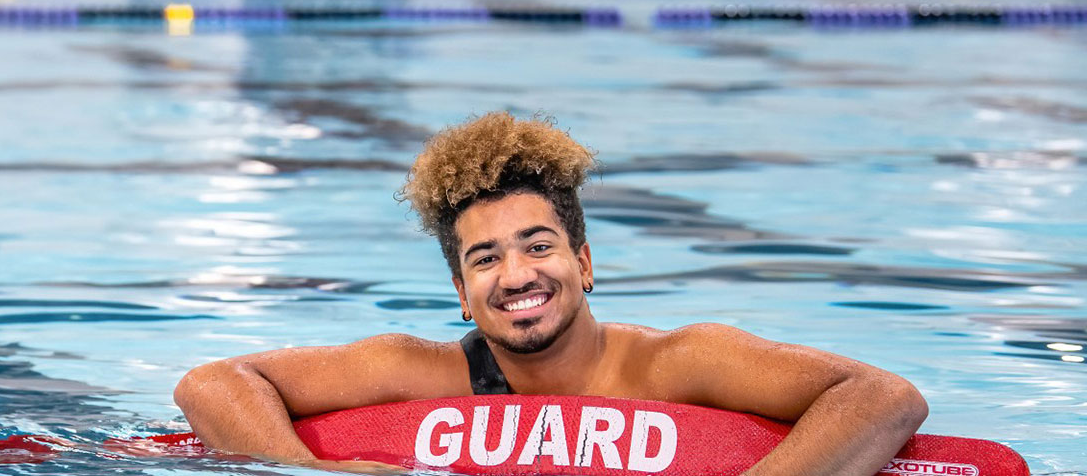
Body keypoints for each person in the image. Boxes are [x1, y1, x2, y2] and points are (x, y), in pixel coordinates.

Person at [174, 111, 929, 475]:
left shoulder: (676, 366)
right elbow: (214, 383)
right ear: (462, 292)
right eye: (485, 258)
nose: (516, 276)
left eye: (539, 246)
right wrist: (310, 473)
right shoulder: (428, 374)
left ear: (585, 261)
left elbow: (882, 396)